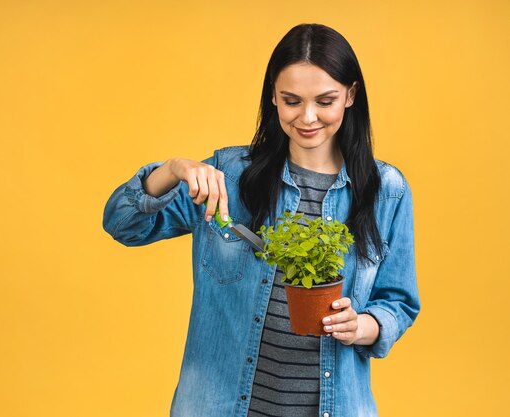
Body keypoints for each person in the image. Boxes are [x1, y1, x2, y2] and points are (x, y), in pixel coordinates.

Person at [102, 23, 420, 417]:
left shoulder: (386, 190)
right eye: (291, 100)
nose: (308, 117)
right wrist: (172, 170)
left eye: (325, 101)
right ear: (273, 95)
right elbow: (122, 224)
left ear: (351, 95)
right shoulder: (228, 177)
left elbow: (398, 302)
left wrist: (364, 327)